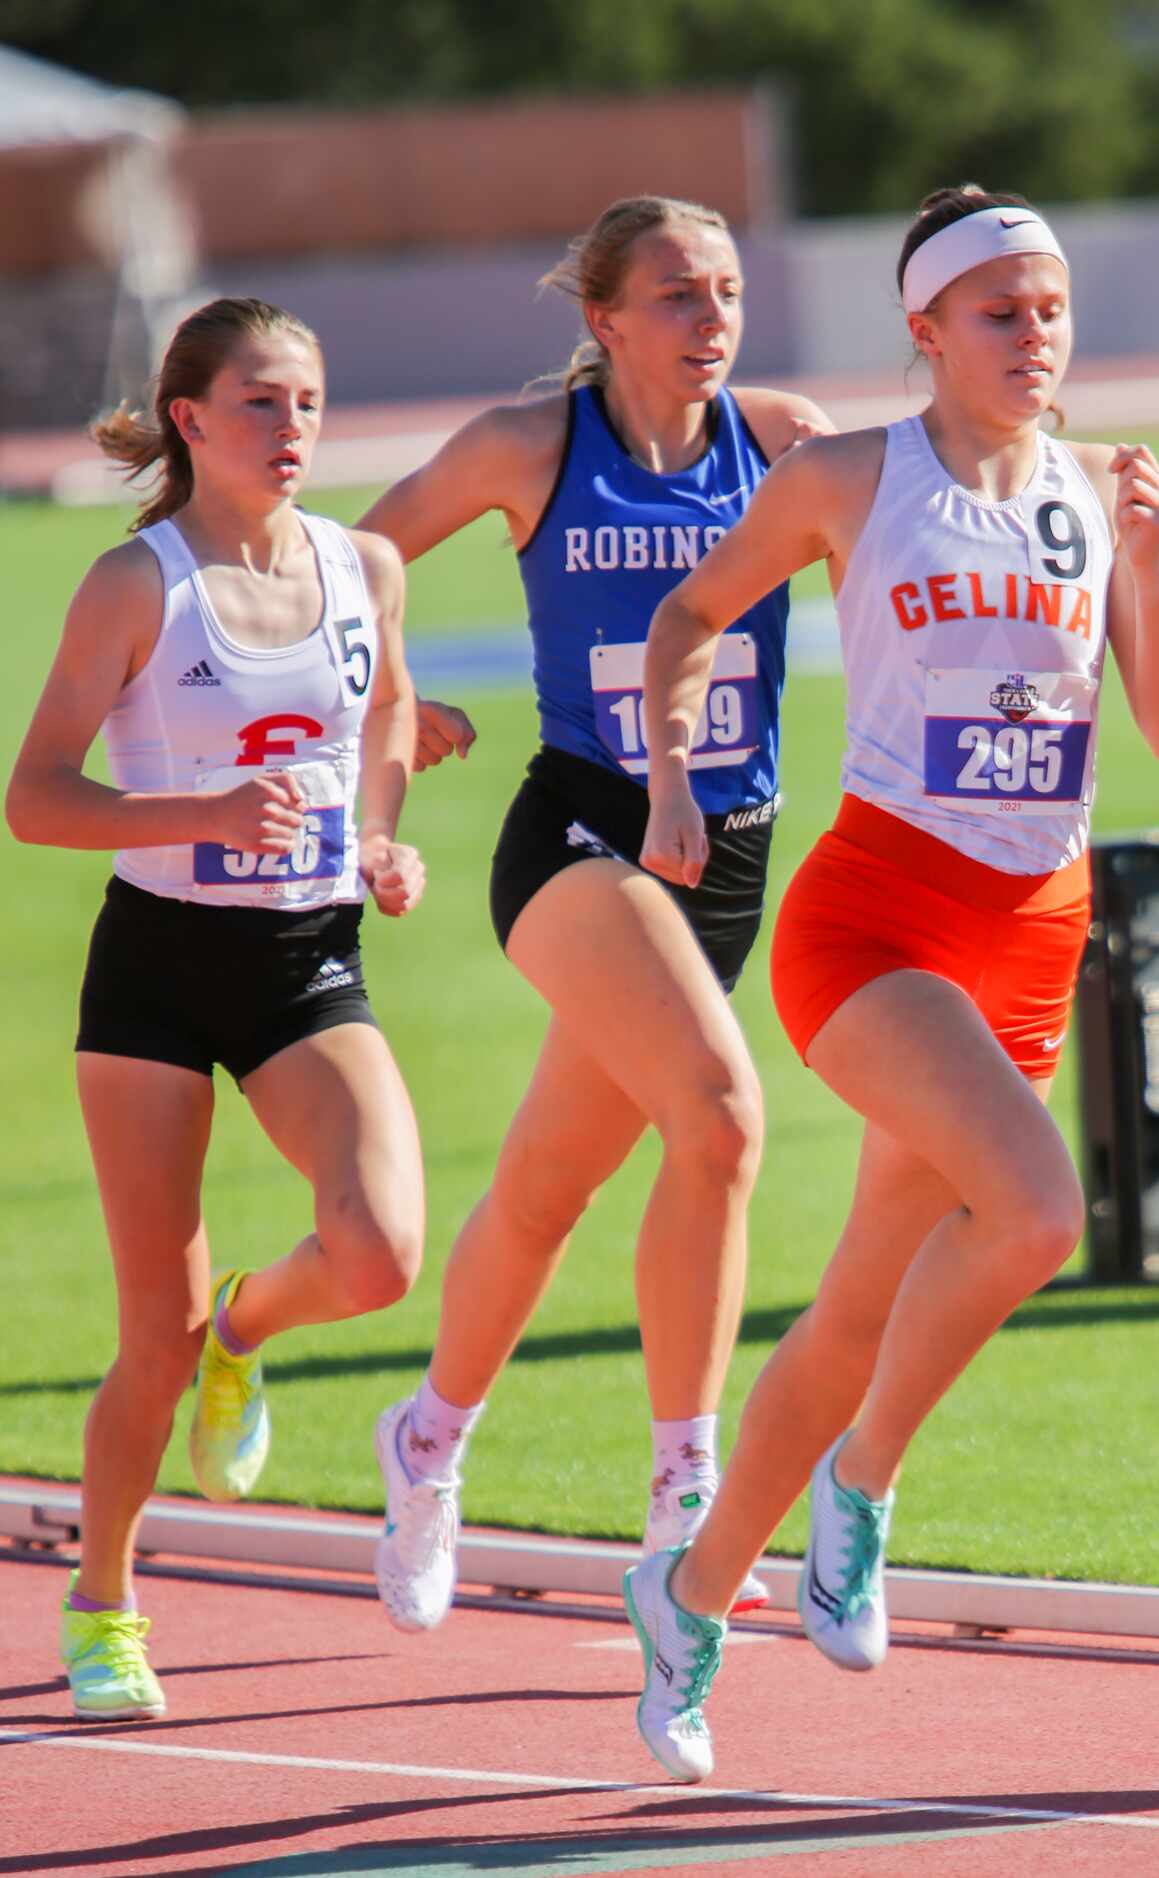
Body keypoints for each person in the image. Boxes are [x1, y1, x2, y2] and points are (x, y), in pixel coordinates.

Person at [621, 183, 1159, 1782]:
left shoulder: (1103, 490)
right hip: (875, 916)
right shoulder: (845, 477)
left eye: (1051, 308)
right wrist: (672, 776)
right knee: (1036, 1213)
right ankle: (863, 1484)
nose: (1035, 337)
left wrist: (1147, 567)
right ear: (925, 329)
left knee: (857, 1303)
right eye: (999, 311)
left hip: (1034, 923)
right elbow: (688, 612)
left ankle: (683, 1595)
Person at [356, 196, 829, 1633]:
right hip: (578, 829)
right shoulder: (533, 447)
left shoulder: (785, 439)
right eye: (678, 296)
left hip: (724, 856)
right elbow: (355, 561)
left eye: (728, 292)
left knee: (549, 1184)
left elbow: (923, 542)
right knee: (722, 1114)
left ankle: (427, 1436)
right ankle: (689, 1489)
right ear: (603, 319)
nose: (712, 319)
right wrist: (396, 697)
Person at [6, 297, 428, 1721]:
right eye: (260, 401)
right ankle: (104, 1602)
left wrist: (381, 837)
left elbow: (382, 728)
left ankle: (254, 1329)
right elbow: (36, 795)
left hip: (305, 954)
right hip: (159, 968)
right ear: (190, 421)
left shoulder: (366, 564)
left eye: (306, 400)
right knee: (151, 1332)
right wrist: (200, 810)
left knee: (378, 1251)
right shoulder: (140, 583)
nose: (292, 427)